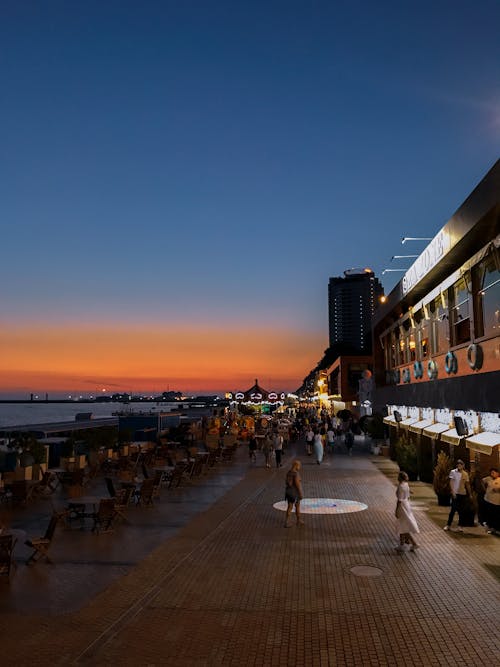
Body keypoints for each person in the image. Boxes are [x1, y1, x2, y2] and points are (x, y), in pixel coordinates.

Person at [395, 471, 420, 551]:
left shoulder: (400, 486)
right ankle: (402, 545)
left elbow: (399, 500)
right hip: (407, 505)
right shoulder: (406, 485)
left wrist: (396, 510)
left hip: (402, 506)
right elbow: (408, 496)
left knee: (403, 526)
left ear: (400, 478)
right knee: (402, 525)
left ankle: (414, 543)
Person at [444, 459, 471, 532]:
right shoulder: (453, 472)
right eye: (458, 464)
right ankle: (448, 525)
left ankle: (460, 526)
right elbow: (451, 482)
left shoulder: (465, 474)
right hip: (455, 493)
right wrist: (452, 492)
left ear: (463, 466)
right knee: (453, 510)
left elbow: (467, 484)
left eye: (461, 464)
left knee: (461, 511)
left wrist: (470, 493)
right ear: (457, 465)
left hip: (462, 493)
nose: (459, 466)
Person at [284, 459, 304, 527]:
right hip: (295, 492)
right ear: (296, 466)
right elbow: (297, 485)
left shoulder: (289, 472)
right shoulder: (296, 474)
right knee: (297, 506)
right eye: (299, 466)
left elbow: (287, 482)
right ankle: (298, 520)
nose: (300, 467)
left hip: (288, 492)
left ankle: (287, 521)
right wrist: (300, 493)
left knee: (289, 506)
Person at [482, 467, 500, 534]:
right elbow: (482, 481)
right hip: (488, 500)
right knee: (489, 514)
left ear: (497, 473)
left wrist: (498, 490)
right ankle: (490, 527)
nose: (492, 474)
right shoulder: (488, 479)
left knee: (495, 515)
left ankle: (495, 528)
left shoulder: (499, 480)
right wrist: (484, 489)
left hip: (497, 501)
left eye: (493, 473)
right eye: (491, 473)